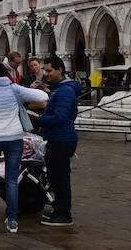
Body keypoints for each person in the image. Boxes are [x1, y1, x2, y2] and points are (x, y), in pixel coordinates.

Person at [0, 60, 49, 235]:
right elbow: (43, 97)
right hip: (13, 138)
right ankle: (12, 221)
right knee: (12, 180)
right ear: (5, 75)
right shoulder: (14, 89)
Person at [37, 56, 79, 227]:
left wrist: (39, 120)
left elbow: (61, 117)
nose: (46, 74)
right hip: (57, 137)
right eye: (45, 70)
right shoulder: (59, 89)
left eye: (49, 70)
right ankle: (59, 210)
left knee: (60, 178)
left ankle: (63, 214)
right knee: (55, 177)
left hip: (62, 138)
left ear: (60, 69)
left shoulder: (65, 91)